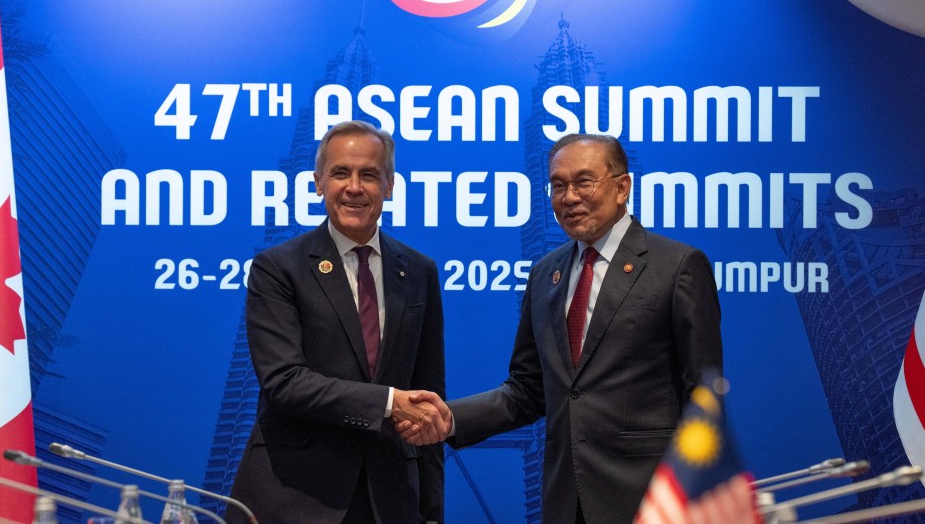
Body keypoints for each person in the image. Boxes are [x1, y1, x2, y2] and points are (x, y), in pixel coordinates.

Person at [398, 133, 722, 524]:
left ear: (622, 187)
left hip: (653, 500)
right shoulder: (545, 275)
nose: (569, 197)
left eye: (584, 182)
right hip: (566, 501)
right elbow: (528, 390)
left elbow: (703, 396)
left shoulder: (677, 266)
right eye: (557, 185)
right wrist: (450, 417)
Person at [228, 120, 447, 524]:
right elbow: (284, 382)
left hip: (389, 501)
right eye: (341, 173)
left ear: (389, 185)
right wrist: (388, 403)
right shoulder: (278, 268)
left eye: (369, 174)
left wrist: (431, 512)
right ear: (318, 183)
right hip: (294, 498)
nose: (354, 187)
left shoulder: (420, 271)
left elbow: (428, 399)